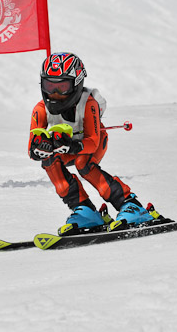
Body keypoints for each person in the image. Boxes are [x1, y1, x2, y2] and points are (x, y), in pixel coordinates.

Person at [28, 52, 154, 234]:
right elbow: (31, 149)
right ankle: (84, 210)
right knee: (48, 162)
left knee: (83, 164)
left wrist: (72, 145)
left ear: (77, 84)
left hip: (90, 143)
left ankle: (130, 204)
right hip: (67, 147)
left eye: (62, 87)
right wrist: (40, 149)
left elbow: (93, 142)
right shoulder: (40, 109)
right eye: (49, 86)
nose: (55, 94)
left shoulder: (88, 104)